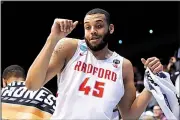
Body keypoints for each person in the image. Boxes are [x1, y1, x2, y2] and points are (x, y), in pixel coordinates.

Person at [25, 8, 163, 119]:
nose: (93, 32)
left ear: (111, 28)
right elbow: (32, 85)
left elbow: (129, 116)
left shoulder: (124, 66)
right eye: (87, 27)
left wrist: (151, 84)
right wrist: (52, 38)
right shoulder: (70, 47)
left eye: (99, 26)